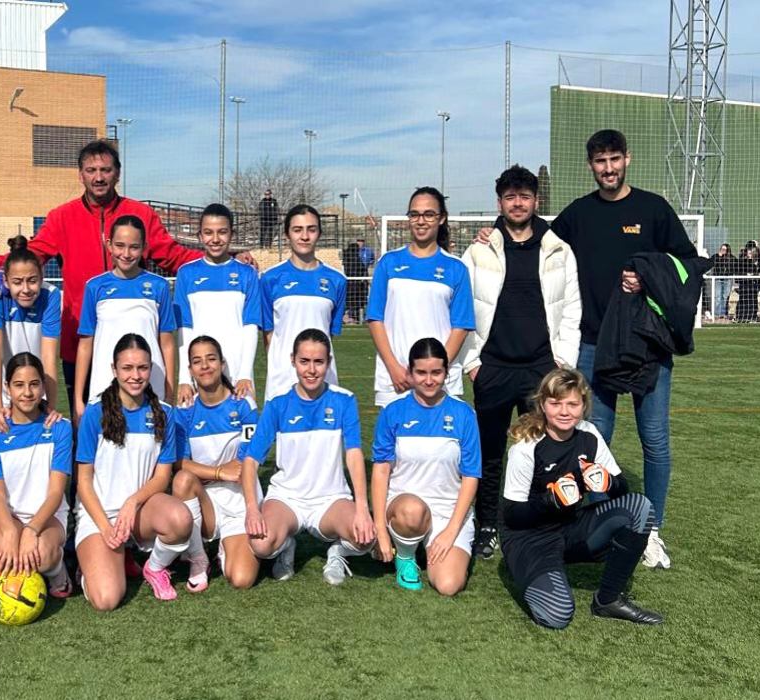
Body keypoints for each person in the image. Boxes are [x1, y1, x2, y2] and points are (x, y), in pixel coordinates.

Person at [536, 129, 696, 568]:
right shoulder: (580, 214)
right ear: (591, 166)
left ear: (628, 159)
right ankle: (593, 524)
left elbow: (690, 261)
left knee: (655, 441)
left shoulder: (653, 209)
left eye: (614, 159)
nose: (608, 168)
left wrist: (650, 276)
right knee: (594, 438)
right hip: (594, 345)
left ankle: (652, 531)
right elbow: (538, 239)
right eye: (600, 162)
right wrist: (492, 235)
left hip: (647, 345)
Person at [0, 140, 210, 416]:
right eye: (91, 170)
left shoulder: (141, 215)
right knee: (87, 423)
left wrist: (220, 259)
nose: (98, 177)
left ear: (117, 174)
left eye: (105, 169)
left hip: (133, 344)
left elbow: (173, 256)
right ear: (80, 174)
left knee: (141, 424)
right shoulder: (62, 217)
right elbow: (34, 255)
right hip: (81, 341)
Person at [460, 165, 581, 560]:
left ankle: (539, 525)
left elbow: (571, 311)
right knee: (490, 454)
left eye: (524, 196)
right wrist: (473, 363)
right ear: (500, 202)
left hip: (541, 371)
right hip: (493, 369)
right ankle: (487, 526)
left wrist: (561, 363)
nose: (517, 202)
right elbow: (462, 308)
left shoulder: (559, 249)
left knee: (541, 452)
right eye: (510, 196)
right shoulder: (479, 249)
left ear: (535, 201)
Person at [502, 368, 663, 628]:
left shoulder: (589, 434)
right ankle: (530, 569)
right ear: (543, 404)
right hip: (530, 538)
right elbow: (511, 516)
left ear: (583, 405)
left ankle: (608, 600)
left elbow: (622, 488)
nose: (564, 411)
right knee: (558, 615)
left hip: (570, 527)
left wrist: (609, 482)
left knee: (640, 508)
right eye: (555, 403)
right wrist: (550, 500)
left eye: (572, 404)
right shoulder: (527, 446)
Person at [242, 329, 375, 586]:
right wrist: (252, 509)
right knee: (260, 544)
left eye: (319, 362)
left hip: (330, 498)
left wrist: (362, 508)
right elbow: (250, 463)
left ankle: (337, 552)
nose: (311, 370)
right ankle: (286, 546)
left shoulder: (344, 400)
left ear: (329, 362)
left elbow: (355, 454)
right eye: (304, 361)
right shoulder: (277, 403)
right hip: (287, 498)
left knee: (366, 537)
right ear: (293, 360)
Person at [75, 334, 189, 609]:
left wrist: (132, 502)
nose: (136, 376)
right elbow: (83, 482)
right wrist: (105, 528)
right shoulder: (95, 412)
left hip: (139, 510)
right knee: (106, 600)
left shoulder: (163, 413)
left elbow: (163, 477)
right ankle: (91, 566)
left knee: (180, 519)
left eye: (143, 367)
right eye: (127, 368)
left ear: (151, 368)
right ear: (114, 370)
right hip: (99, 515)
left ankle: (154, 566)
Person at [371, 338, 480, 595]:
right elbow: (381, 470)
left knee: (449, 585)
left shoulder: (464, 414)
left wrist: (451, 531)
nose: (429, 380)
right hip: (405, 506)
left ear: (447, 372)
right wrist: (380, 530)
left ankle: (428, 544)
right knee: (412, 510)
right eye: (421, 372)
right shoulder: (393, 412)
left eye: (436, 372)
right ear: (409, 373)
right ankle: (406, 555)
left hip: (447, 512)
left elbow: (471, 476)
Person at [367, 187, 474, 408]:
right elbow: (375, 319)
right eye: (414, 214)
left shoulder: (456, 269)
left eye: (429, 214)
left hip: (440, 382)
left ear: (441, 218)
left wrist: (434, 372)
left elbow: (461, 326)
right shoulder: (388, 263)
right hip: (395, 380)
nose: (421, 220)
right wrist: (394, 368)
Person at [0, 352, 74, 598]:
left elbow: (55, 493)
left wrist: (31, 530)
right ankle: (10, 569)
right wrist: (10, 531)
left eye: (34, 384)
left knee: (40, 557)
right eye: (19, 385)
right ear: (7, 387)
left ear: (43, 385)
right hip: (6, 513)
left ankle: (56, 571)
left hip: (47, 514)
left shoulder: (59, 428)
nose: (27, 393)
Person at [170, 335, 261, 592]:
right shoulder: (184, 412)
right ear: (190, 370)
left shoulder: (244, 406)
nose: (205, 366)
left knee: (241, 579)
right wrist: (219, 472)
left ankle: (229, 547)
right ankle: (199, 559)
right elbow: (181, 464)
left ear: (222, 363)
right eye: (197, 362)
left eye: (211, 359)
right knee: (182, 481)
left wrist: (208, 472)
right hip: (204, 503)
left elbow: (247, 461)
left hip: (240, 503)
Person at [74, 215, 177, 417]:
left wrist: (169, 391)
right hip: (105, 383)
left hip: (149, 382)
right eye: (120, 246)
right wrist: (79, 399)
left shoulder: (159, 286)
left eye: (134, 247)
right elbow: (85, 345)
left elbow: (167, 343)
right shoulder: (95, 287)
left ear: (144, 247)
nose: (126, 253)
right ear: (109, 245)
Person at [173, 203, 262, 407]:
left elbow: (250, 327)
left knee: (242, 433)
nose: (215, 239)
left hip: (238, 376)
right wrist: (185, 380)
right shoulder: (186, 273)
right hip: (199, 373)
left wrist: (245, 373)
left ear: (232, 234)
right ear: (200, 236)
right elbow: (184, 328)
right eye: (208, 233)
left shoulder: (247, 274)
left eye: (222, 232)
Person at [260, 205, 347, 403]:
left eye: (311, 229)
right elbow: (268, 333)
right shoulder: (270, 279)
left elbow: (329, 334)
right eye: (297, 230)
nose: (305, 236)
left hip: (323, 377)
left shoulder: (337, 280)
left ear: (319, 233)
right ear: (287, 235)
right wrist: (280, 365)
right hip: (282, 378)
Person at [0, 237, 62, 429]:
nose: (25, 289)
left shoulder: (51, 296)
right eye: (17, 282)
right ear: (6, 281)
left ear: (41, 278)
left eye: (32, 281)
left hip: (32, 383)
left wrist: (50, 404)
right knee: (0, 438)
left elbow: (49, 356)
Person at [341, 240, 368, 324]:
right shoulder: (355, 260)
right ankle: (352, 317)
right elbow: (363, 270)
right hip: (356, 284)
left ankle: (352, 316)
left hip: (351, 284)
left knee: (351, 301)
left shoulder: (346, 259)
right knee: (356, 302)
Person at [735, 241, 760, 323]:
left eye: (752, 249)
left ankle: (752, 316)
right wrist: (745, 274)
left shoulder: (758, 258)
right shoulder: (742, 259)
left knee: (753, 299)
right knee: (743, 299)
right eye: (749, 249)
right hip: (744, 283)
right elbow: (738, 270)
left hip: (753, 283)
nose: (750, 251)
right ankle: (741, 316)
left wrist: (755, 274)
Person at [708, 243, 736, 318]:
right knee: (717, 296)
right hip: (717, 278)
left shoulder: (732, 258)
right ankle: (717, 313)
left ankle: (723, 313)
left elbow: (733, 267)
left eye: (724, 250)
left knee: (725, 296)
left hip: (727, 278)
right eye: (721, 249)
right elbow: (711, 263)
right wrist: (719, 256)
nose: (723, 251)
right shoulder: (716, 256)